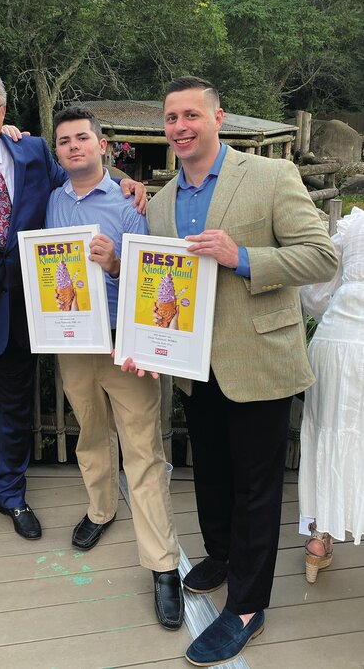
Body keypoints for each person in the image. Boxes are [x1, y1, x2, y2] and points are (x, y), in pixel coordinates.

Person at [123, 76, 337, 666]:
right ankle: (221, 555)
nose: (180, 127)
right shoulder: (163, 202)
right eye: (171, 118)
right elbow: (157, 283)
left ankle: (247, 605)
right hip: (192, 366)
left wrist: (241, 257)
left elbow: (322, 255)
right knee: (211, 473)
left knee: (256, 486)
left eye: (191, 114)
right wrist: (146, 340)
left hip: (258, 360)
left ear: (219, 119)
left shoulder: (268, 177)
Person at [0, 67, 146, 553]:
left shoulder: (34, 153)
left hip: (26, 320)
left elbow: (84, 173)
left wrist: (127, 181)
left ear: (3, 110)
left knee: (17, 416)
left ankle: (12, 497)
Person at [45, 106, 184, 630]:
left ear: (103, 146)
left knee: (143, 448)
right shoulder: (52, 200)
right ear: (57, 151)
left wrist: (117, 262)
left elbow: (155, 272)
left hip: (124, 343)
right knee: (90, 432)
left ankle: (162, 565)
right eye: (64, 141)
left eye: (83, 138)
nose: (74, 146)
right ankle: (101, 510)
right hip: (73, 342)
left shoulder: (129, 201)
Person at [298, 206, 364, 582]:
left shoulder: (355, 225)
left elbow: (316, 294)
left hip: (337, 340)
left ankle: (319, 539)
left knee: (326, 433)